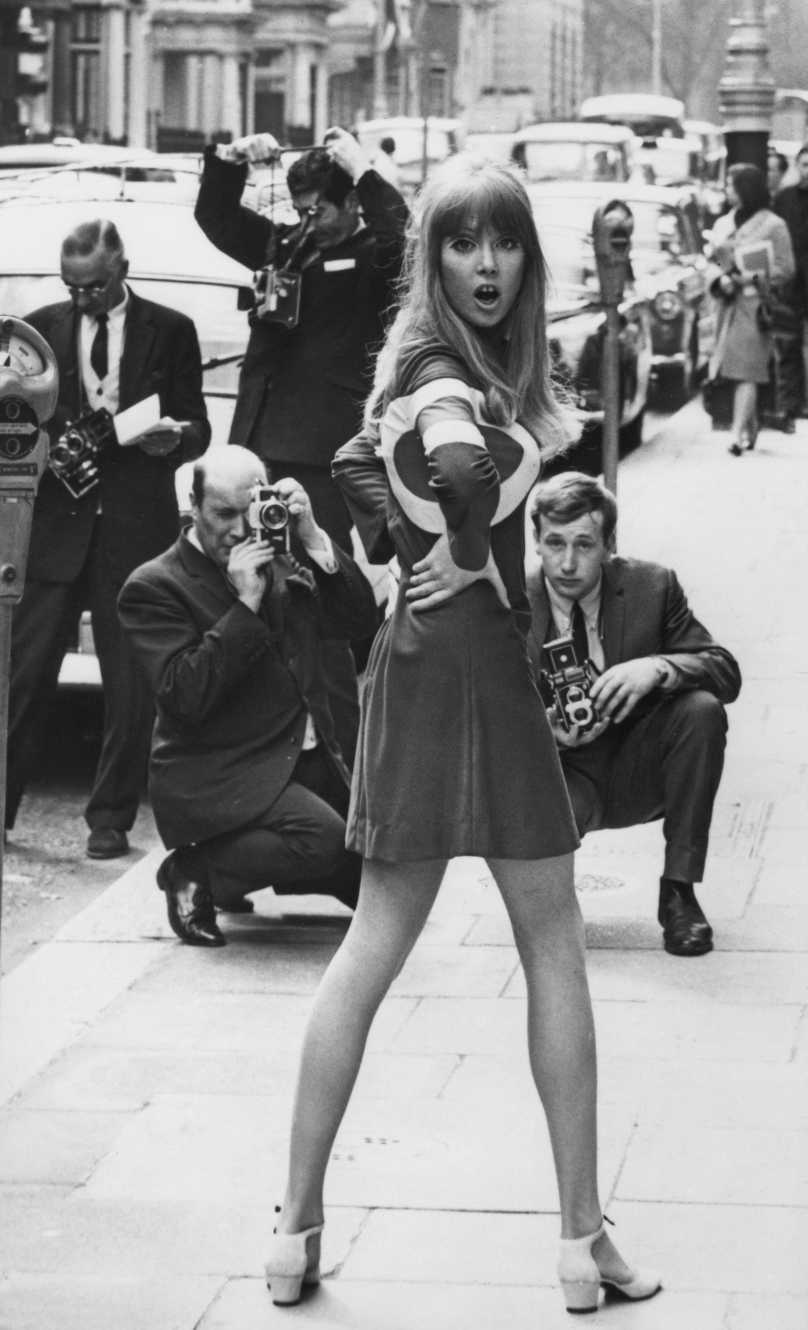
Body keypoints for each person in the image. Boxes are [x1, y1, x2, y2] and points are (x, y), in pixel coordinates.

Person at [264, 157, 660, 1314]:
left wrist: (409, 552)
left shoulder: (432, 358)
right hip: (475, 661)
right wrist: (468, 553)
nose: (486, 264)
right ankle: (581, 1241)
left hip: (426, 664)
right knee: (550, 947)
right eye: (461, 242)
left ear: (527, 257)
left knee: (373, 946)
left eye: (504, 242)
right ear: (431, 254)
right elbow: (446, 454)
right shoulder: (447, 370)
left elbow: (357, 459)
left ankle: (293, 1230)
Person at [0, 219, 210, 858]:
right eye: (71, 287)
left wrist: (176, 439)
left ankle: (111, 818)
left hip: (133, 531)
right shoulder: (37, 330)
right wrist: (45, 446)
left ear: (122, 271)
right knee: (18, 676)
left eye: (94, 287)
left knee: (131, 687)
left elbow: (198, 424)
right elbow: (7, 419)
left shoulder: (172, 329)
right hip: (55, 529)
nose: (82, 298)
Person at [194, 127, 407, 766]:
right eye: (300, 209)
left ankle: (345, 758)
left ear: (351, 204)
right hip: (261, 443)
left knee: (321, 604)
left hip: (322, 455)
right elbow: (216, 218)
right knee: (255, 590)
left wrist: (365, 171)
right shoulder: (289, 244)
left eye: (321, 209)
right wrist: (230, 160)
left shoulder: (375, 256)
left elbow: (409, 244)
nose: (309, 221)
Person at [117, 447, 378, 946]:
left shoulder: (280, 556)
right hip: (223, 769)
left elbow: (357, 622)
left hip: (301, 761)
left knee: (382, 881)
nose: (239, 530)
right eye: (223, 514)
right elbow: (184, 696)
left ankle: (244, 870)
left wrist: (312, 536)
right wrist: (246, 604)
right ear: (194, 507)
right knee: (321, 841)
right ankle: (193, 870)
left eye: (249, 510)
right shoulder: (154, 584)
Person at [528, 472, 741, 957]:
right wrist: (544, 729)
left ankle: (679, 894)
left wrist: (658, 668)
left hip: (635, 765)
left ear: (609, 544)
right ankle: (545, 902)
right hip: (557, 774)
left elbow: (725, 671)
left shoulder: (652, 586)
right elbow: (471, 715)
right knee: (546, 920)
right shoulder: (510, 603)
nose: (567, 562)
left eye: (584, 544)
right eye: (555, 543)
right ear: (536, 541)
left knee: (701, 710)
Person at [706, 163, 795, 455]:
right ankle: (750, 426)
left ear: (746, 189)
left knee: (747, 371)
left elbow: (785, 268)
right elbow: (714, 261)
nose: (727, 191)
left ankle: (735, 436)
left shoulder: (774, 225)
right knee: (733, 370)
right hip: (727, 305)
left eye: (731, 185)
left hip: (756, 308)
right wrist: (721, 279)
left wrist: (752, 277)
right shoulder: (722, 224)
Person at [774, 143, 808, 420]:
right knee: (788, 344)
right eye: (805, 165)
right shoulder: (785, 198)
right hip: (791, 284)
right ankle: (790, 404)